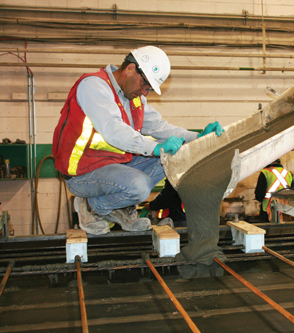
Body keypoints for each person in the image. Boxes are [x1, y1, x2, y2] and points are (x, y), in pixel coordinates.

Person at [52, 45, 224, 235]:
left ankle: (119, 208)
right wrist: (155, 148)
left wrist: (198, 137)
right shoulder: (94, 86)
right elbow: (113, 130)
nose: (145, 92)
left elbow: (159, 127)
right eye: (145, 85)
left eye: (149, 88)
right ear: (130, 69)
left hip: (114, 167)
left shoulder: (133, 98)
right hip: (82, 173)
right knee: (139, 187)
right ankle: (92, 204)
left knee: (176, 157)